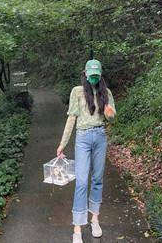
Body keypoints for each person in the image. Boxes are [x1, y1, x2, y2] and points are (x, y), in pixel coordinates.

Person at [57, 58, 116, 243]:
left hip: (100, 136)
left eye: (96, 76)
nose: (93, 79)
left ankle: (95, 219)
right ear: (85, 74)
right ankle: (77, 228)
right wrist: (62, 144)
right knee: (81, 182)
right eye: (91, 76)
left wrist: (109, 113)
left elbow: (112, 118)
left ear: (100, 75)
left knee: (97, 179)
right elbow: (71, 119)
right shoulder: (77, 91)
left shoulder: (106, 92)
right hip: (82, 138)